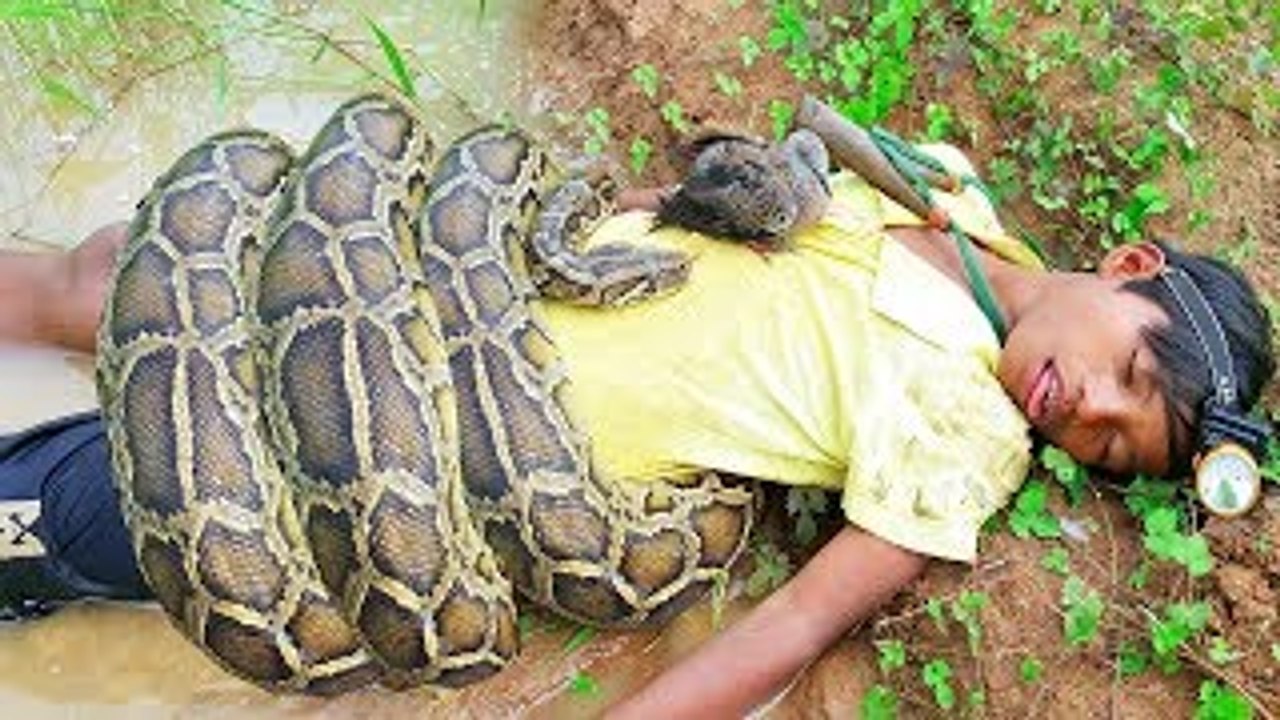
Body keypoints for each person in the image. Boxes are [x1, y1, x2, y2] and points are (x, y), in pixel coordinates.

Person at [0, 144, 1272, 716]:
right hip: (435, 277)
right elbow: (714, 194)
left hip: (409, 449)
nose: (1084, 414)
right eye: (1123, 375)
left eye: (1108, 450)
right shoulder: (938, 190)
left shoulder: (964, 452)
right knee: (98, 279)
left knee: (87, 511)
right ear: (1124, 263)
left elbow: (787, 628)